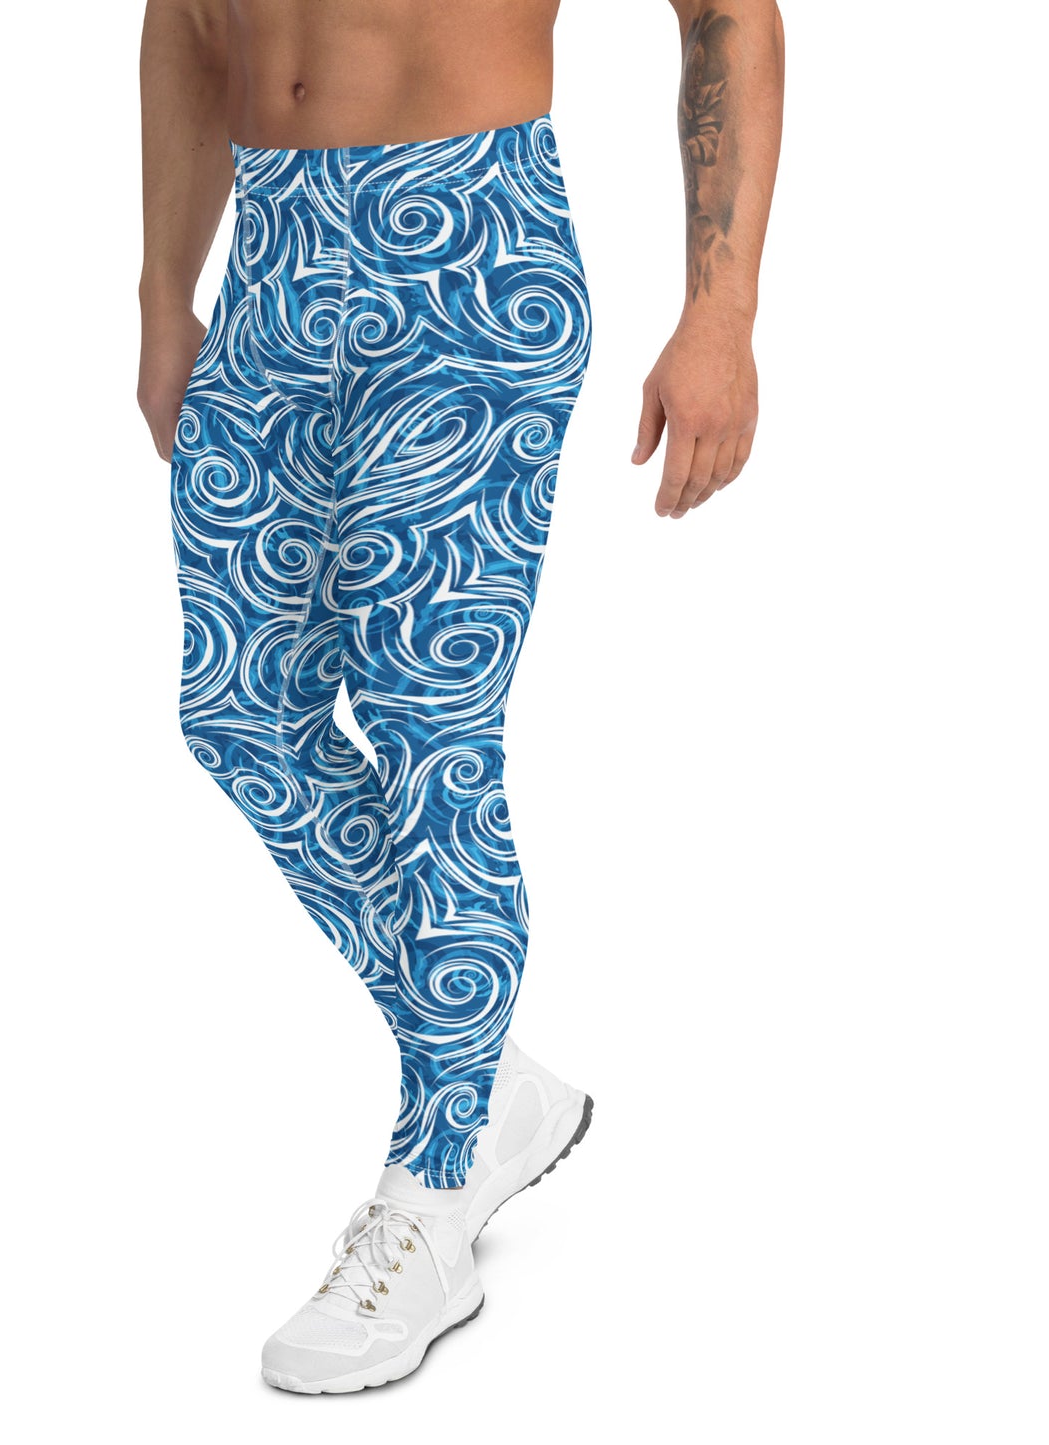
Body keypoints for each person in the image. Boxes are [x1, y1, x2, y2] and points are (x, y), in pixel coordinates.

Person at [137, 0, 784, 1393]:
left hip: (469, 261)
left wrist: (720, 315)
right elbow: (187, 25)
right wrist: (162, 297)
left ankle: (433, 1191)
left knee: (429, 728)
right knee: (237, 709)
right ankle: (490, 1075)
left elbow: (726, 12)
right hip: (271, 271)